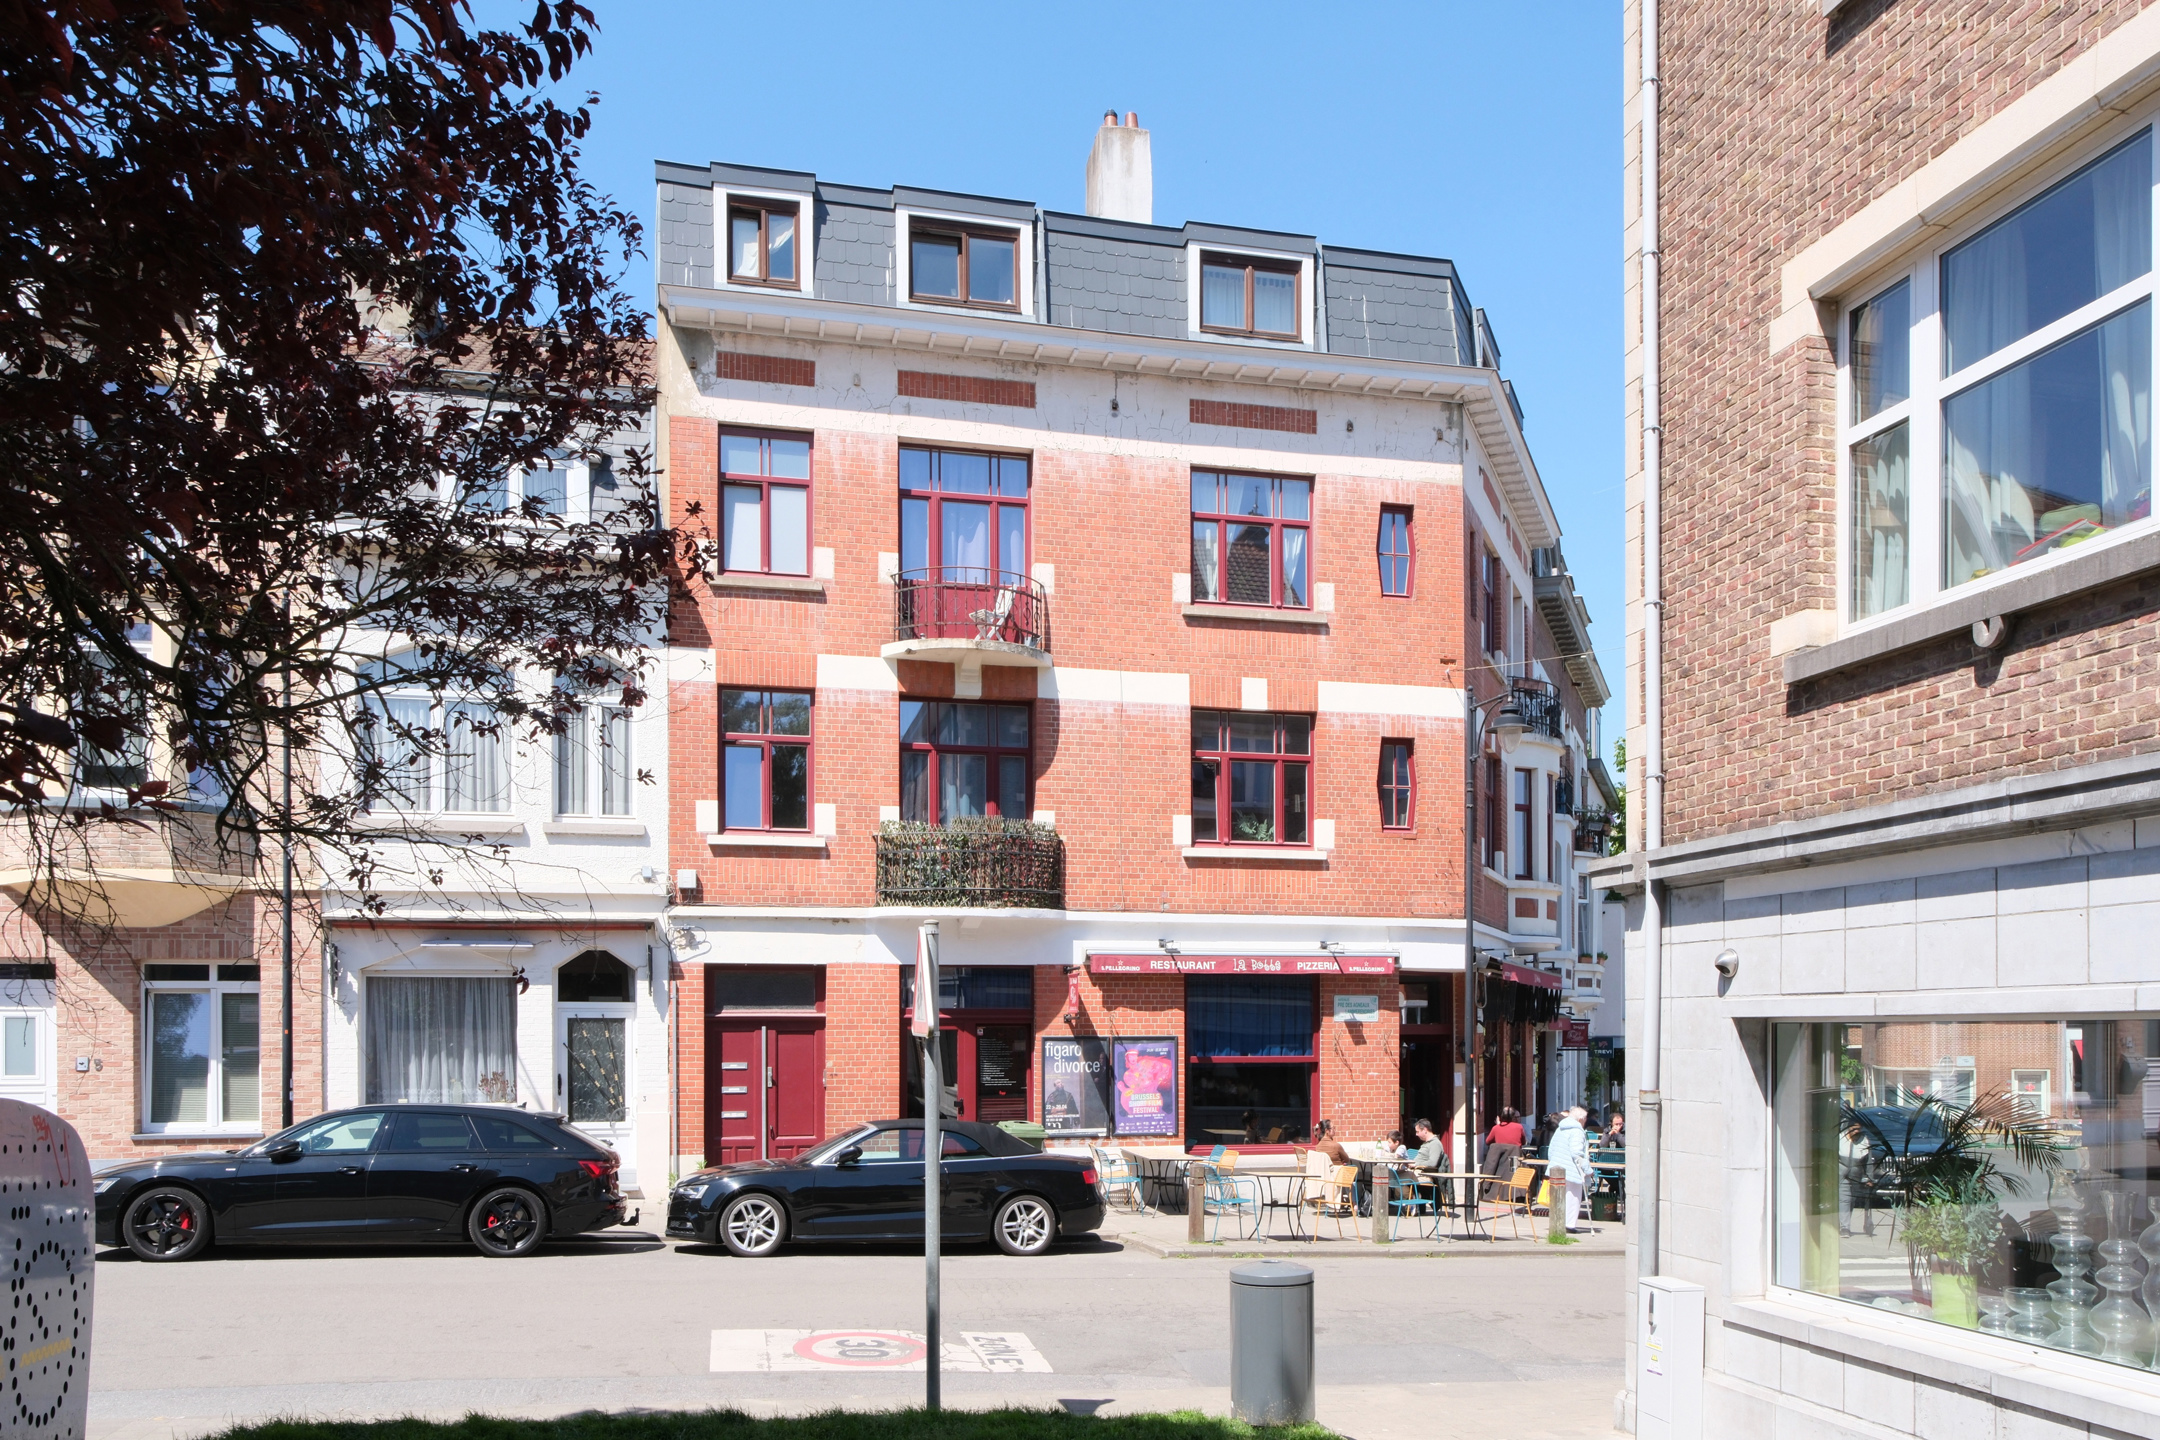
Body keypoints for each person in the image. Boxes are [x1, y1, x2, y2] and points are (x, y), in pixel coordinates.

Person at [1546, 1105, 1592, 1233]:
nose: (1585, 1122)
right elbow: (1577, 1153)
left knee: (1559, 1197)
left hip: (1557, 1168)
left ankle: (1558, 1223)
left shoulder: (1560, 1129)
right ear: (1580, 1119)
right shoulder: (1577, 1131)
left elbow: (1551, 1149)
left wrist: (1553, 1163)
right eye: (1585, 1119)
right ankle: (1569, 1225)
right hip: (1572, 1170)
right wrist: (1588, 1170)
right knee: (1573, 1198)